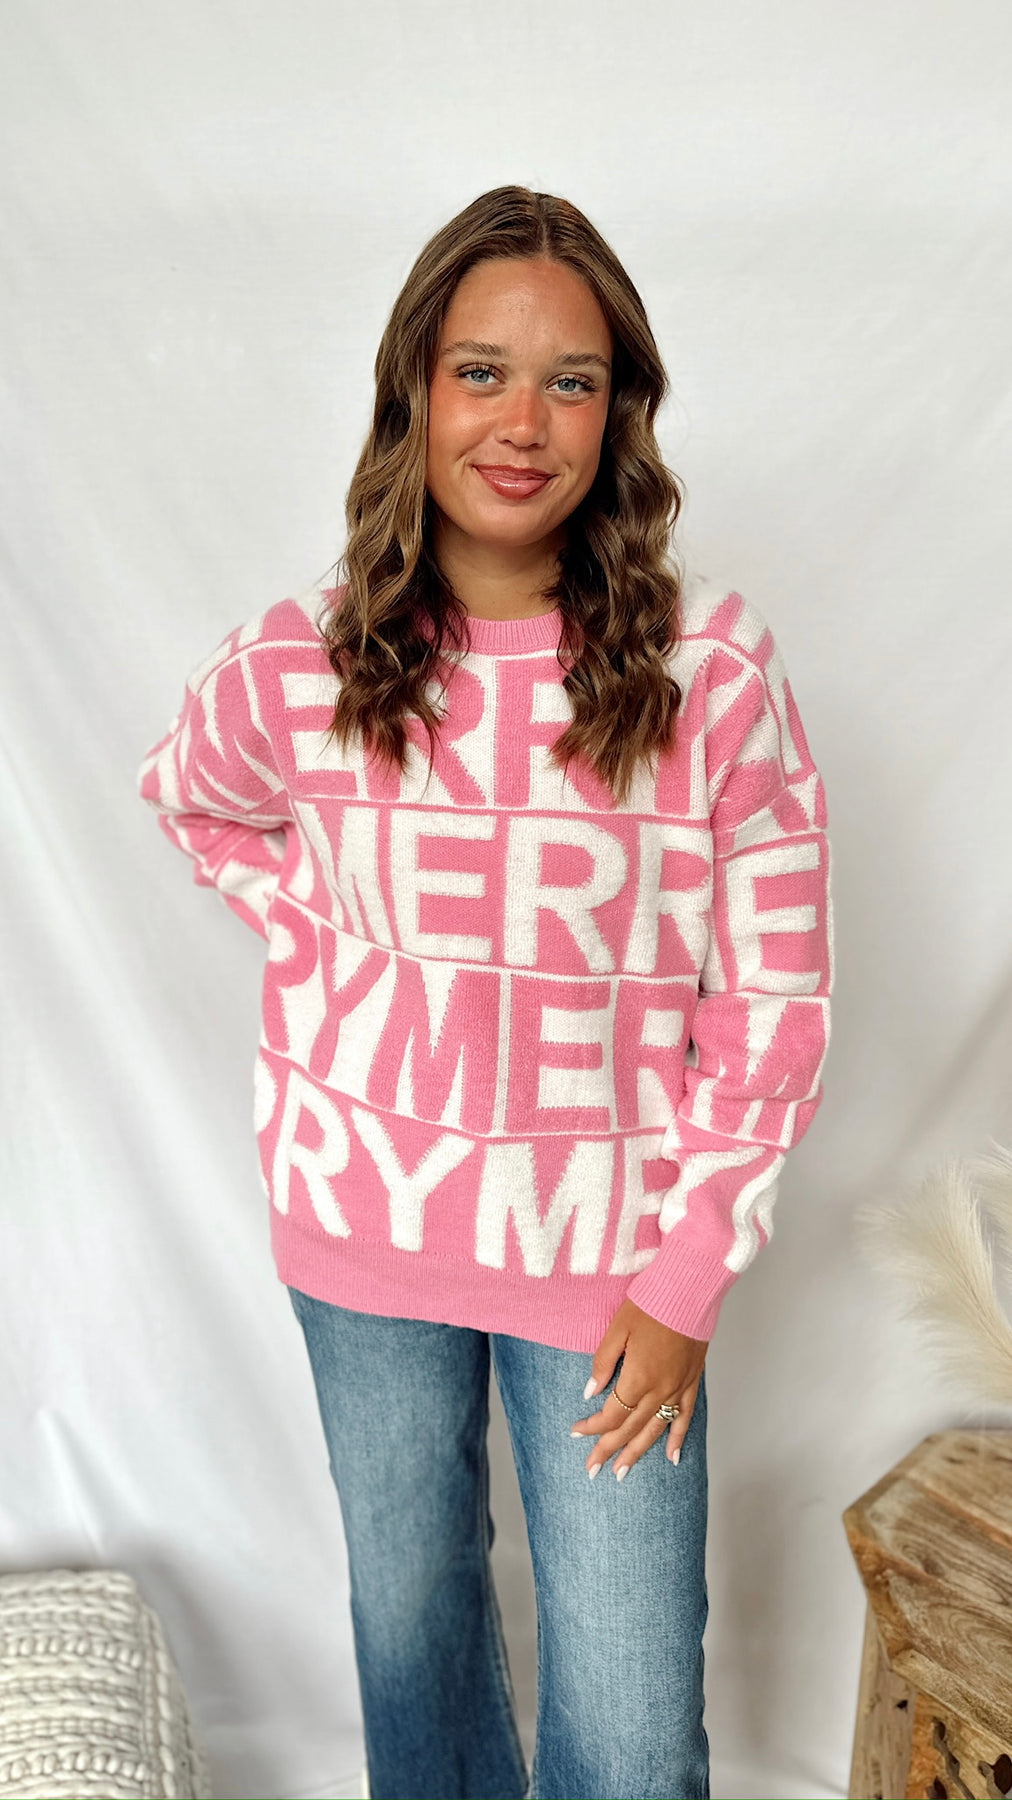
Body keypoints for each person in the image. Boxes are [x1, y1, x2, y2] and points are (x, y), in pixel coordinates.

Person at [139, 185, 833, 1800]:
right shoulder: (300, 662)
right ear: (414, 390)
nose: (525, 425)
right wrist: (317, 928)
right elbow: (192, 795)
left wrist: (689, 1276)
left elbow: (777, 998)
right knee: (414, 1640)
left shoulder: (712, 672)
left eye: (571, 382)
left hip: (614, 1263)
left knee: (632, 1730)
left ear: (620, 411)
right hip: (361, 1228)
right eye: (482, 373)